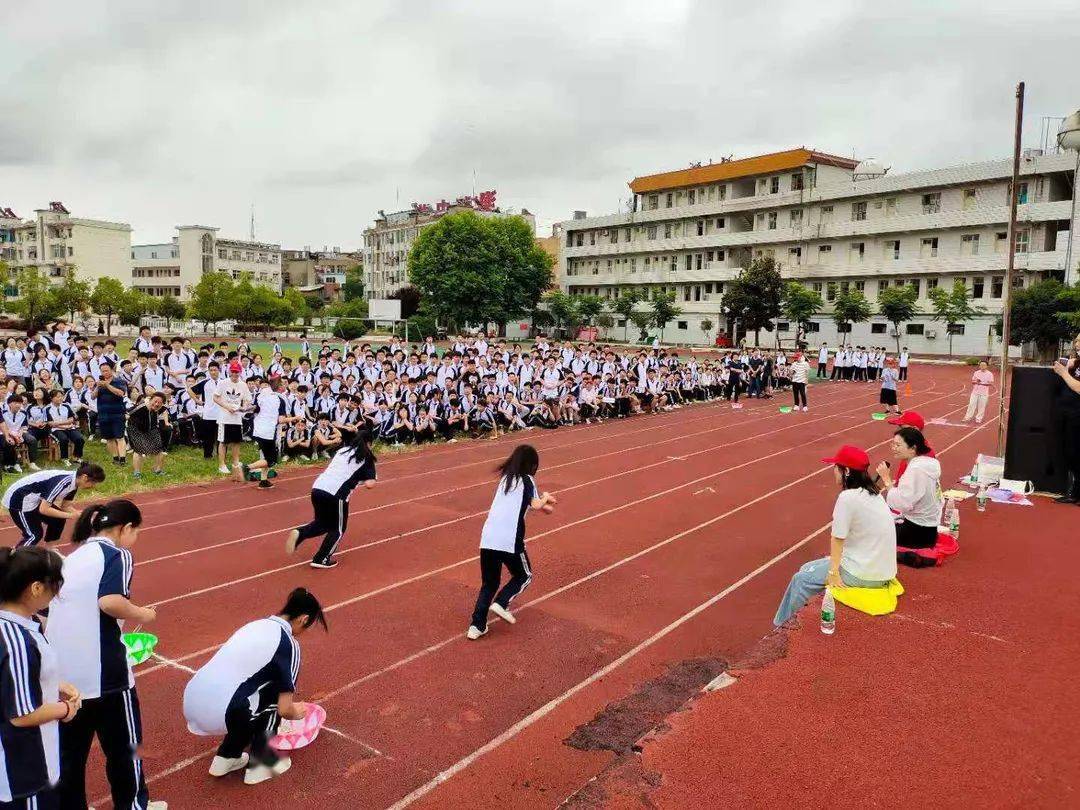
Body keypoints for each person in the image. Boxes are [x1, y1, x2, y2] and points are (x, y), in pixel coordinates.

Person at [44, 500, 167, 810]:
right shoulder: (117, 554)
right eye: (136, 532)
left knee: (70, 755)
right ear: (125, 529)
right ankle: (134, 806)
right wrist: (144, 614)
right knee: (124, 749)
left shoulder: (72, 558)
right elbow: (110, 601)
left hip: (63, 674)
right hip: (105, 673)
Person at [183, 588, 326, 786]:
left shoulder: (255, 625)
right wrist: (297, 711)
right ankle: (261, 765)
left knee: (248, 694)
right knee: (270, 696)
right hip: (222, 712)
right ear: (303, 619)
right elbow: (285, 709)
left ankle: (226, 757)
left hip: (192, 699)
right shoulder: (289, 644)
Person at [774, 445, 897, 625]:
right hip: (883, 572)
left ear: (846, 471)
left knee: (800, 579)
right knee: (808, 567)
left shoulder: (847, 498)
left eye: (836, 468)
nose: (834, 472)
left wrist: (833, 573)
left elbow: (837, 539)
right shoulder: (875, 495)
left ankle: (784, 627)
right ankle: (806, 614)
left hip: (862, 574)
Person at [0, 546, 83, 810]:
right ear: (36, 588)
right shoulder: (17, 640)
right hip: (24, 770)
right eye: (54, 586)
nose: (56, 594)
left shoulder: (14, 624)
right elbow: (23, 715)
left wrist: (52, 683)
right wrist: (67, 708)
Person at [467, 444, 557, 640]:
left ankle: (476, 625)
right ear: (531, 465)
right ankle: (502, 601)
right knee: (524, 575)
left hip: (488, 538)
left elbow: (524, 504)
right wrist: (546, 498)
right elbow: (534, 503)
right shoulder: (527, 479)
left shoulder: (505, 480)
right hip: (510, 539)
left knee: (489, 583)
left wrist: (542, 505)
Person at [285, 431, 377, 569]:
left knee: (322, 524)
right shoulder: (367, 458)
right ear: (370, 443)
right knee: (338, 529)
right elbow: (370, 484)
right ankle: (321, 558)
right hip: (337, 494)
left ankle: (300, 534)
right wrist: (359, 481)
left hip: (318, 488)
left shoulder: (342, 450)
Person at [875, 427, 943, 565]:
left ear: (913, 448)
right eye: (893, 444)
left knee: (872, 531)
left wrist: (886, 478)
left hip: (916, 532)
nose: (894, 448)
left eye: (898, 445)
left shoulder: (916, 470)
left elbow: (901, 503)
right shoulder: (928, 464)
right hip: (930, 530)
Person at [2, 463, 106, 549]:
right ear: (84, 477)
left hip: (34, 499)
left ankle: (49, 549)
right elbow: (44, 509)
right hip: (19, 499)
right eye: (94, 483)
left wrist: (81, 514)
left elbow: (65, 506)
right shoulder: (62, 482)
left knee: (58, 520)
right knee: (34, 535)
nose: (93, 486)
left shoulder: (74, 484)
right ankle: (14, 560)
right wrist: (71, 516)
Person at [241, 376, 287, 489]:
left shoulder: (261, 395)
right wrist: (295, 418)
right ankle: (247, 467)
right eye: (282, 383)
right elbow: (281, 420)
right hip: (268, 433)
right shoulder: (279, 399)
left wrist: (244, 408)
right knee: (271, 460)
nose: (284, 385)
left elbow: (255, 409)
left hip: (258, 430)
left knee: (265, 456)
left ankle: (263, 480)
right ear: (279, 386)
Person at [1052, 337, 1080, 505]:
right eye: (1076, 341)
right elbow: (1069, 364)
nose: (1076, 344)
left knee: (1077, 453)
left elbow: (1078, 388)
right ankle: (1075, 493)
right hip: (1071, 414)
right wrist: (1065, 365)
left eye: (1079, 341)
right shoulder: (1077, 362)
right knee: (1072, 453)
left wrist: (1063, 373)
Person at [214, 360, 251, 476]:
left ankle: (235, 462)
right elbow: (215, 397)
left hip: (237, 418)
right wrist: (227, 407)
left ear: (240, 372)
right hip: (225, 417)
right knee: (223, 441)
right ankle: (222, 464)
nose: (235, 374)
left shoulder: (243, 385)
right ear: (230, 371)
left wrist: (243, 408)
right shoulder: (223, 383)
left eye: (237, 372)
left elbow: (247, 400)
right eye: (233, 372)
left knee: (236, 441)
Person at [91, 362, 129, 465]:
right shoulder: (98, 383)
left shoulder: (119, 381)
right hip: (103, 414)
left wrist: (107, 385)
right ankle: (115, 458)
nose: (105, 373)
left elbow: (120, 393)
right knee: (109, 438)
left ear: (112, 370)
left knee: (119, 437)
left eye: (106, 370)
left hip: (117, 413)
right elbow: (93, 397)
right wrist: (98, 387)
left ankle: (123, 459)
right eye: (102, 371)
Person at [127, 393, 168, 479]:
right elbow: (127, 413)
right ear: (150, 400)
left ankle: (158, 470)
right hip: (136, 429)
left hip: (151, 429)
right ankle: (137, 473)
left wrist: (166, 421)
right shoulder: (141, 407)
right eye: (155, 401)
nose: (156, 404)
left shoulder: (159, 408)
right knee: (139, 450)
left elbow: (165, 410)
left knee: (159, 449)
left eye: (159, 403)